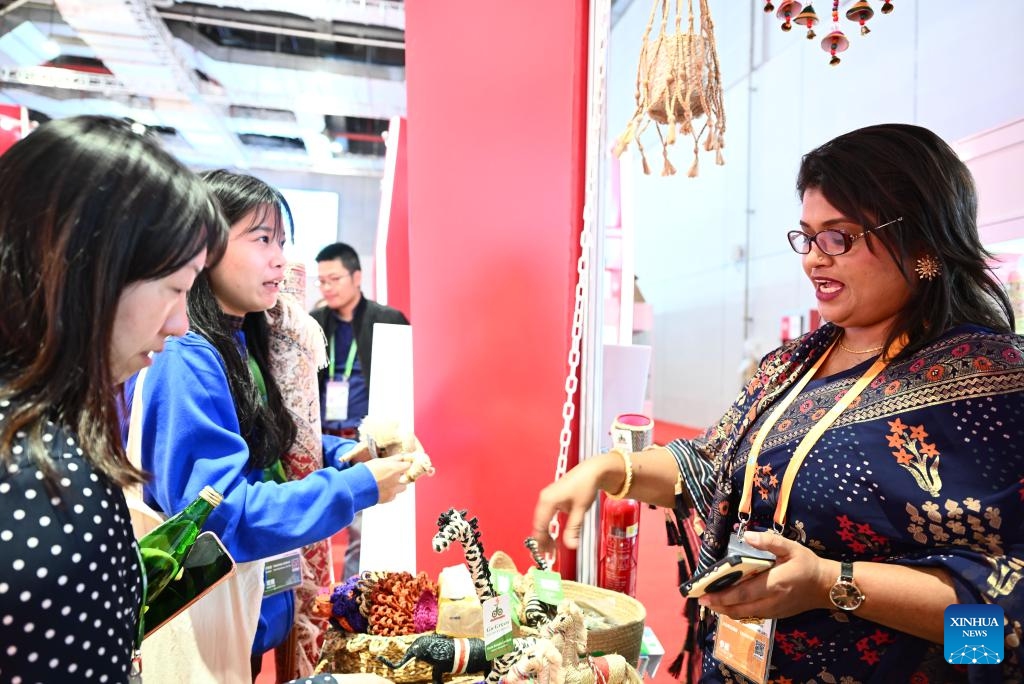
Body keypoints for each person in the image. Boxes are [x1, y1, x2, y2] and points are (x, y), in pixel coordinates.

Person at [532, 123, 1024, 682]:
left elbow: (1005, 616)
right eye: (807, 236)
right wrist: (609, 470)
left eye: (839, 237)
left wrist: (831, 584)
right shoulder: (792, 365)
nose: (814, 259)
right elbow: (714, 465)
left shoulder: (995, 384)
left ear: (922, 244)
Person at [126, 171, 415, 680]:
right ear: (204, 247)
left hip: (253, 606)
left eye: (282, 241)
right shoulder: (188, 356)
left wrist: (345, 453)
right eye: (262, 240)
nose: (281, 258)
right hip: (206, 616)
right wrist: (356, 487)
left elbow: (263, 448)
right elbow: (216, 515)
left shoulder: (247, 340)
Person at [0, 115, 227, 683]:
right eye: (175, 288)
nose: (179, 322)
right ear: (89, 274)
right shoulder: (31, 465)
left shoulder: (52, 428)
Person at [310, 242, 410, 579]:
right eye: (322, 281)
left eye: (334, 278)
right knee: (315, 521)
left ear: (357, 277)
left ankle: (352, 596)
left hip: (363, 438)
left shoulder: (387, 319)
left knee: (361, 530)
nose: (327, 287)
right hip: (322, 436)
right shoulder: (314, 323)